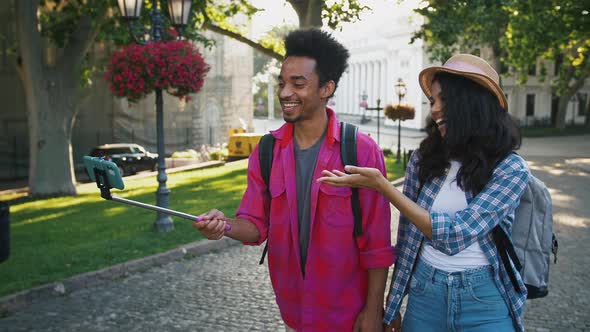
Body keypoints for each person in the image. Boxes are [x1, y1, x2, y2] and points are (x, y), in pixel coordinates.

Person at [193, 28, 395, 331]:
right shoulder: (266, 150)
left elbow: (377, 243)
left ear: (326, 88)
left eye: (298, 83)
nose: (285, 92)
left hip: (350, 316)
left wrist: (373, 311)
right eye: (282, 82)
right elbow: (255, 227)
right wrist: (224, 227)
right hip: (294, 314)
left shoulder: (360, 151)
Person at [318, 54, 529, 332]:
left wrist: (384, 186)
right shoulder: (425, 158)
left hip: (484, 301)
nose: (436, 109)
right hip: (424, 296)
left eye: (445, 100)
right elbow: (408, 238)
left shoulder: (511, 169)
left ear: (472, 105)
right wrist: (392, 305)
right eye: (433, 102)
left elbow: (454, 236)